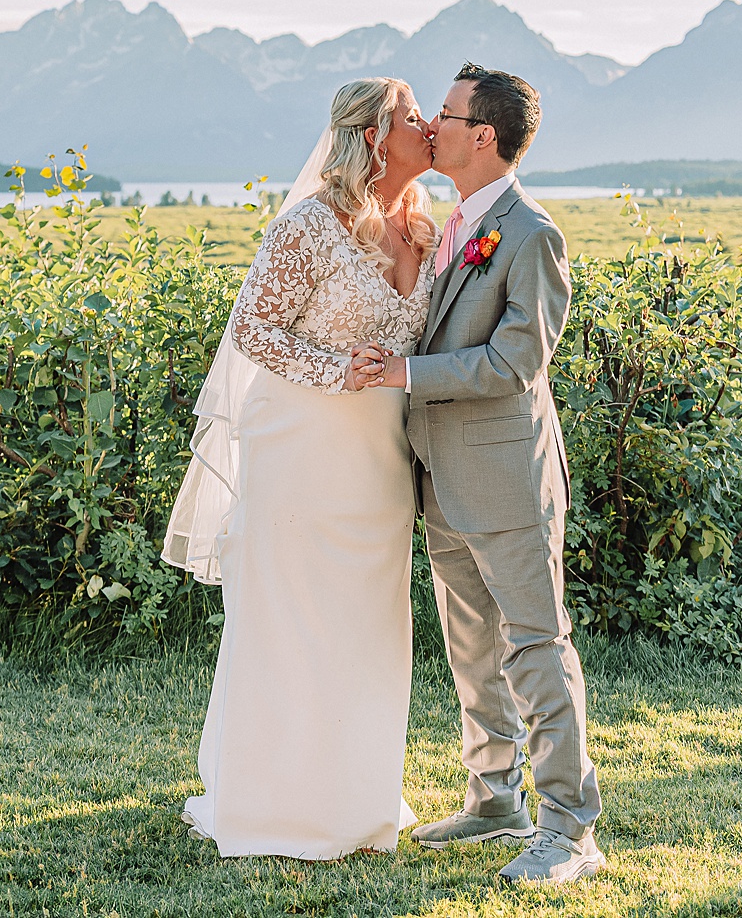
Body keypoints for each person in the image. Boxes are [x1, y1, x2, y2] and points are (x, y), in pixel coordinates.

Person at [163, 77, 437, 859]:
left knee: (367, 623)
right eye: (413, 116)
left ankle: (357, 797)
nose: (429, 126)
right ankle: (276, 801)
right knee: (292, 618)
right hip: (301, 447)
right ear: (375, 134)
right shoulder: (311, 224)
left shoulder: (423, 227)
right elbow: (253, 329)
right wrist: (334, 370)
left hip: (379, 461)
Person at [360, 62, 606, 885]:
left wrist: (403, 374)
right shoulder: (453, 222)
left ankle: (570, 828)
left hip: (506, 475)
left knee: (535, 644)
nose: (432, 124)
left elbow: (513, 361)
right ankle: (495, 796)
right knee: (471, 647)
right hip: (442, 473)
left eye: (447, 113)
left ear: (483, 135)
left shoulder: (530, 234)